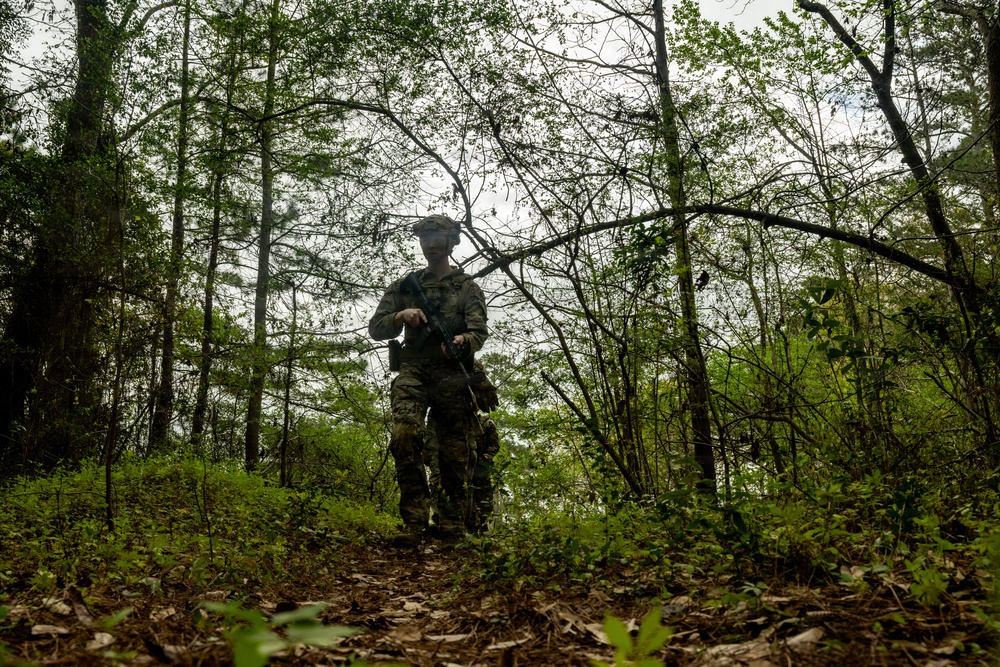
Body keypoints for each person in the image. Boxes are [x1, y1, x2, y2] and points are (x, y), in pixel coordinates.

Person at [368, 214, 489, 548]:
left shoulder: (466, 287)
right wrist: (400, 315)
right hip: (414, 370)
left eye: (437, 240)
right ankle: (414, 523)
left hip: (452, 375)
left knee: (454, 452)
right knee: (404, 435)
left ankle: (451, 526)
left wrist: (464, 341)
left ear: (451, 243)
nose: (431, 247)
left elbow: (479, 331)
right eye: (425, 241)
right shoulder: (405, 286)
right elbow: (376, 327)